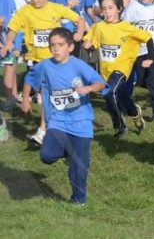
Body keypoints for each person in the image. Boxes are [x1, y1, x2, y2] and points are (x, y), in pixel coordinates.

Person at [21, 28, 105, 205]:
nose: (56, 49)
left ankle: (78, 200)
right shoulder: (44, 66)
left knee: (79, 168)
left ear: (71, 47)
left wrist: (88, 89)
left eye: (61, 45)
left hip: (81, 121)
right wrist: (26, 101)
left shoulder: (78, 65)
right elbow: (30, 79)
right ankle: (67, 152)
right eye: (52, 45)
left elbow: (100, 83)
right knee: (47, 155)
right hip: (57, 121)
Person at [1, 0, 85, 144]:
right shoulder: (25, 11)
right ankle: (56, 126)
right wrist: (9, 42)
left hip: (57, 60)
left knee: (51, 94)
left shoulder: (56, 8)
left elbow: (79, 20)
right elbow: (12, 29)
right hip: (37, 61)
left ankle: (45, 130)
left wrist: (79, 33)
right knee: (50, 94)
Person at [83, 0, 153, 138]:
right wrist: (88, 45)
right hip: (105, 70)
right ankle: (135, 113)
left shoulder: (127, 27)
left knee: (109, 92)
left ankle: (119, 126)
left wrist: (151, 57)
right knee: (121, 98)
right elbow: (90, 41)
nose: (107, 12)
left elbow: (148, 38)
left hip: (122, 68)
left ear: (119, 9)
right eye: (104, 8)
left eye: (110, 8)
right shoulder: (99, 26)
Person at [0, 0, 22, 113]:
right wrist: (5, 42)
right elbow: (2, 21)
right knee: (9, 69)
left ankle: (13, 97)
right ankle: (9, 99)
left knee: (12, 69)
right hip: (6, 39)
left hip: (13, 38)